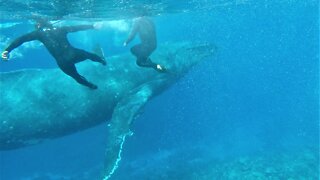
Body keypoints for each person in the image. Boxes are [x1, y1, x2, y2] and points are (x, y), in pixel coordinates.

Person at [1, 19, 106, 89]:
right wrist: (92, 25)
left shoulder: (38, 34)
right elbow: (77, 27)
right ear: (49, 23)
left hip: (63, 62)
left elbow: (21, 39)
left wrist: (7, 50)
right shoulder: (61, 29)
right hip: (74, 54)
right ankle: (102, 61)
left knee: (77, 77)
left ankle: (91, 86)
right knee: (90, 56)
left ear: (38, 25)